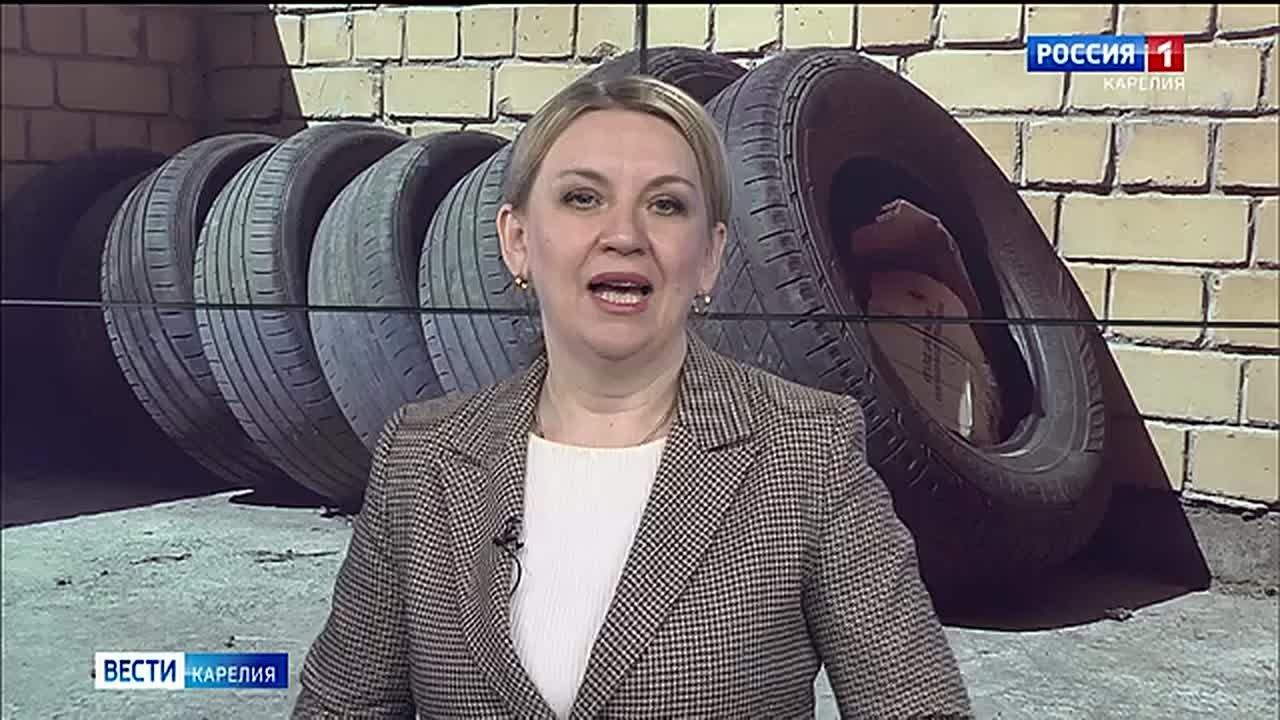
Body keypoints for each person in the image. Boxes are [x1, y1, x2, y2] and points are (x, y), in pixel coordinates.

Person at [292, 74, 972, 719]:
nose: (623, 235)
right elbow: (341, 706)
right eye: (582, 198)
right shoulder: (420, 457)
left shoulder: (808, 450)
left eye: (666, 204)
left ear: (709, 257)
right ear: (518, 242)